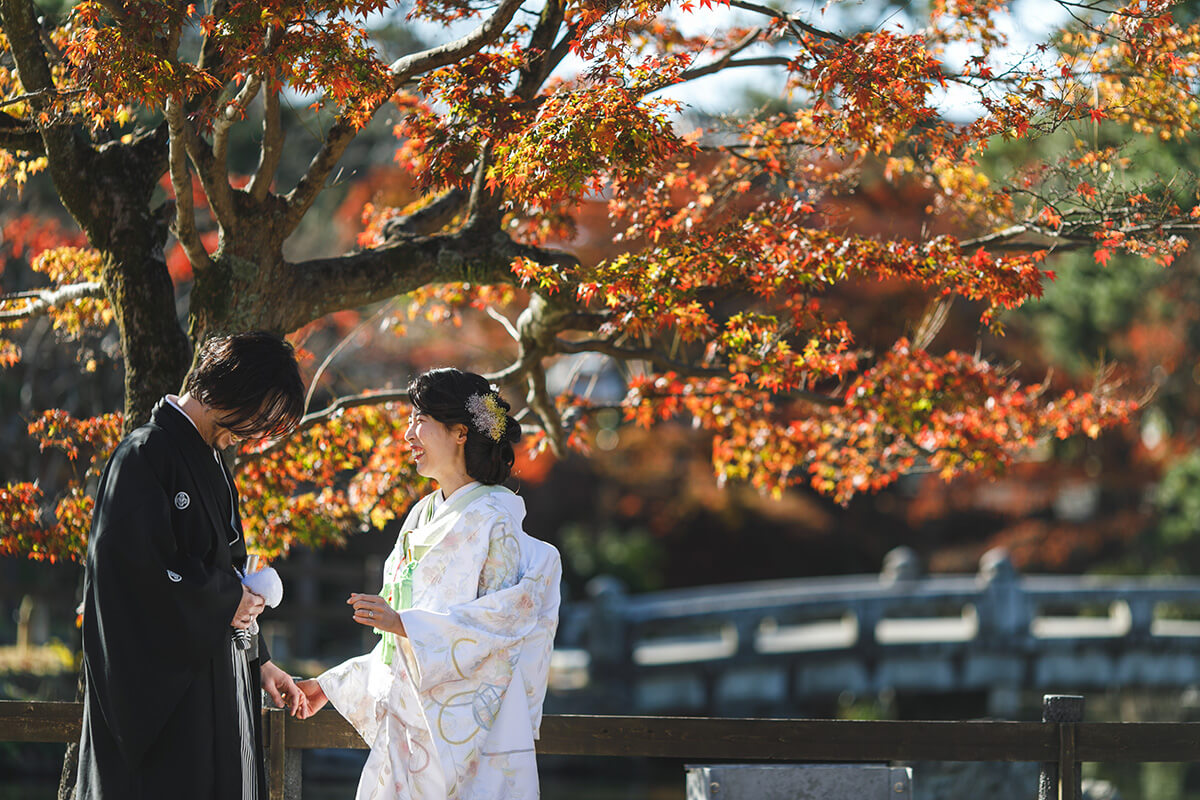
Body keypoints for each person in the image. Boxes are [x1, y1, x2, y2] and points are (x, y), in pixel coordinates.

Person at [297, 368, 562, 800]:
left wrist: (406, 625)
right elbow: (396, 650)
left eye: (420, 420)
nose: (408, 434)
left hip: (475, 733)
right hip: (411, 730)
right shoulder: (421, 516)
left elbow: (501, 630)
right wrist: (332, 684)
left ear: (460, 433)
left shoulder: (497, 518)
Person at [75, 331, 309, 800]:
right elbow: (129, 572)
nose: (254, 434)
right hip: (170, 704)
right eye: (256, 418)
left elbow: (228, 573)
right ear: (230, 388)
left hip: (220, 684)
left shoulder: (214, 463)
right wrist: (225, 598)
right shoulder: (144, 454)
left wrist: (258, 661)